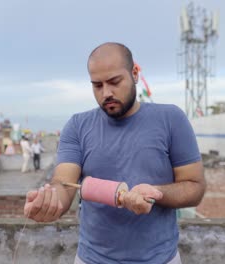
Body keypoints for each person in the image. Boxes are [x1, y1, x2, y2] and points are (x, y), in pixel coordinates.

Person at [24, 43, 206, 264]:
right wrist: (50, 202)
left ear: (135, 73)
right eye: (97, 85)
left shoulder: (171, 119)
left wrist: (156, 193)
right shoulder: (77, 126)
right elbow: (64, 184)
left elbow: (195, 187)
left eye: (114, 82)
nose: (106, 93)